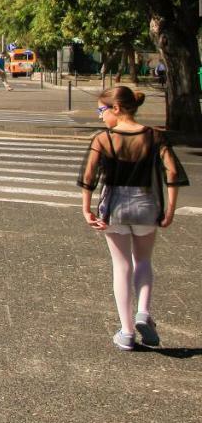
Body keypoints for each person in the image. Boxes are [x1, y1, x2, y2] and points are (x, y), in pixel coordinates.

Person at [78, 86, 188, 351]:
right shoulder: (154, 137)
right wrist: (170, 209)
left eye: (102, 110)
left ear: (117, 109)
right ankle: (143, 312)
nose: (101, 117)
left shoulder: (103, 139)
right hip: (146, 205)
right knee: (144, 261)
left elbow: (88, 177)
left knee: (121, 266)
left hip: (114, 207)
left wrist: (86, 209)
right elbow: (172, 173)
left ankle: (126, 332)